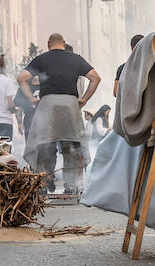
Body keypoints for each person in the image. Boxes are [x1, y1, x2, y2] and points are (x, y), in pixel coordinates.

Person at [18, 33, 100, 194]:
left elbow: (21, 78)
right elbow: (95, 78)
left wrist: (31, 99)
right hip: (70, 106)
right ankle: (70, 186)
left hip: (47, 105)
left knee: (45, 146)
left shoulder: (42, 59)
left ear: (48, 44)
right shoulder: (76, 59)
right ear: (64, 43)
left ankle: (42, 184)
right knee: (71, 146)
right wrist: (83, 100)